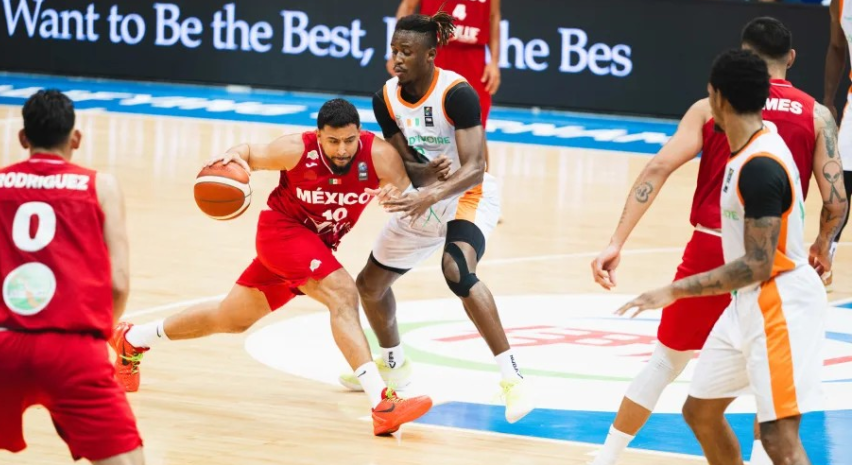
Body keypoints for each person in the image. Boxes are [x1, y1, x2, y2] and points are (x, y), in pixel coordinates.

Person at [590, 17, 846, 465]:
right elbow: (836, 200)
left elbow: (657, 168)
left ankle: (606, 456)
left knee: (670, 366)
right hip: (755, 265)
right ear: (790, 59)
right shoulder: (812, 116)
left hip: (745, 267)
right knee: (713, 407)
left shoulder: (735, 137)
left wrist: (621, 244)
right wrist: (824, 245)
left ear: (719, 95)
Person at [109, 98, 433, 436]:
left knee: (230, 318)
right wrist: (232, 158)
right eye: (333, 141)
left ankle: (133, 339)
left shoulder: (379, 156)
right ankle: (382, 403)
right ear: (318, 135)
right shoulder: (295, 149)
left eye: (349, 140)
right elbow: (249, 152)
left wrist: (398, 198)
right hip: (282, 233)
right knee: (342, 293)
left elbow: (409, 195)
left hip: (315, 246)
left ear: (360, 133)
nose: (342, 150)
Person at [0, 89, 145, 464]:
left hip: (5, 347)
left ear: (23, 138)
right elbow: (118, 284)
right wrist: (97, 336)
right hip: (76, 351)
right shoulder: (101, 186)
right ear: (76, 139)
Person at [339, 11, 535, 424]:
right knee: (369, 286)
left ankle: (513, 378)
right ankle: (395, 365)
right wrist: (410, 180)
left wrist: (431, 188)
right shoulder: (384, 98)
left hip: (469, 195)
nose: (397, 59)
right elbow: (406, 164)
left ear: (430, 55)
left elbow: (476, 168)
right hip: (423, 198)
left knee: (456, 270)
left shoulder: (457, 93)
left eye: (407, 52)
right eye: (394, 50)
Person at [389, 0, 502, 128]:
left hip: (473, 54)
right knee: (425, 121)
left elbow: (493, 16)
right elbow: (407, 7)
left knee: (474, 125)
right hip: (433, 50)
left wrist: (494, 61)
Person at [824, 0, 852, 285]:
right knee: (840, 184)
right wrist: (829, 99)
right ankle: (825, 257)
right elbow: (836, 46)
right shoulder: (840, 3)